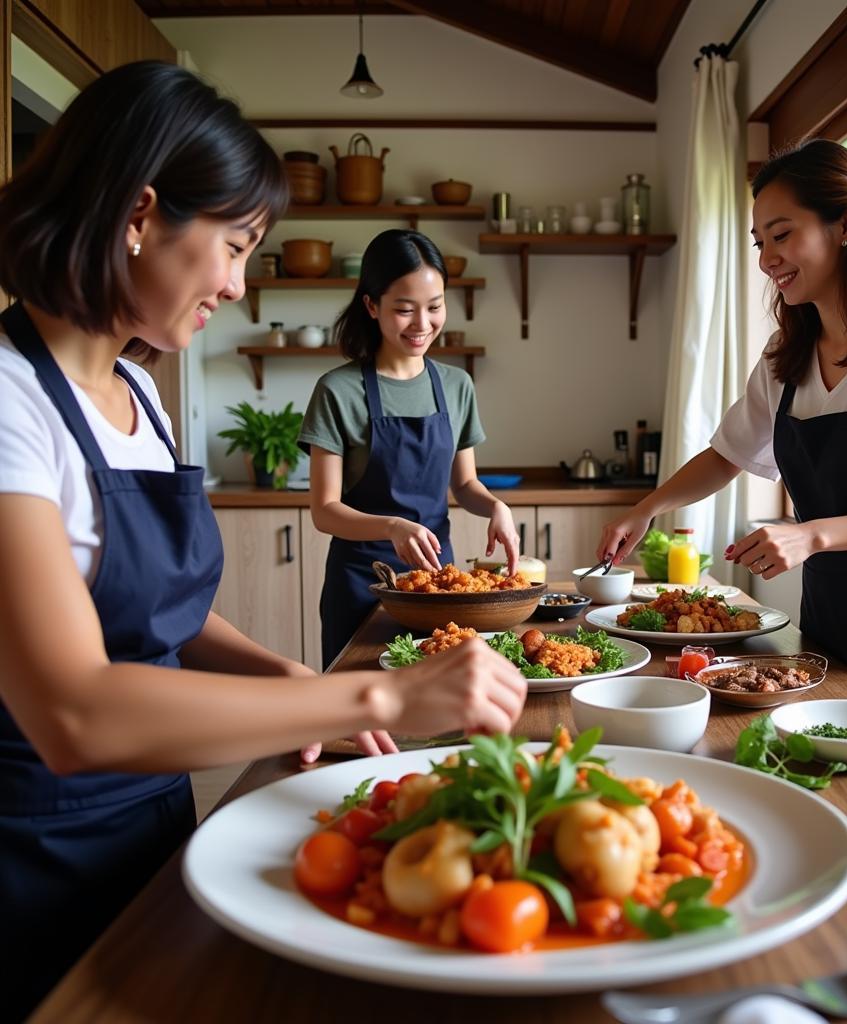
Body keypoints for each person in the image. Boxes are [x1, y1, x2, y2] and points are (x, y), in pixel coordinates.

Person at [0, 62, 526, 1020]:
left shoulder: (139, 399)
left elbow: (174, 614)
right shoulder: (9, 403)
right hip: (35, 851)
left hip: (154, 821)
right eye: (235, 246)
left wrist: (293, 685)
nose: (239, 283)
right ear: (140, 216)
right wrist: (377, 689)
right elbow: (73, 714)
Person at [599, 138, 847, 763]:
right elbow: (726, 454)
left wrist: (810, 536)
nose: (767, 259)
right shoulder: (787, 356)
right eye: (760, 242)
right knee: (834, 780)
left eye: (781, 235)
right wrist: (645, 508)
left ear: (844, 226)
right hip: (832, 610)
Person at [300, 229, 520, 668]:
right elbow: (324, 510)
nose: (422, 324)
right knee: (359, 724)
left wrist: (496, 506)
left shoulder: (457, 386)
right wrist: (392, 527)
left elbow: (466, 483)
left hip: (439, 589)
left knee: (442, 720)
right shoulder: (337, 391)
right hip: (361, 585)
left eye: (435, 307)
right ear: (371, 306)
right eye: (404, 309)